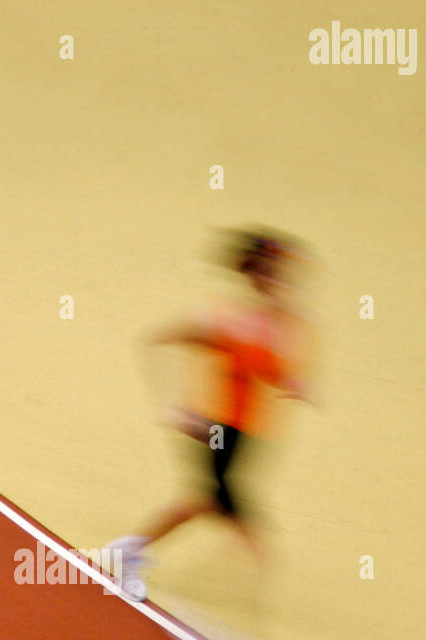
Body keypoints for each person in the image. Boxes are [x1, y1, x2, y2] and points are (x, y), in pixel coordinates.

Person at [105, 229, 312, 601]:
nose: (283, 283)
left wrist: (295, 384)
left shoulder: (276, 326)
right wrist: (172, 405)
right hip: (217, 428)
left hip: (248, 434)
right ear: (256, 276)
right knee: (234, 521)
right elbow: (158, 340)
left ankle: (129, 550)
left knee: (204, 503)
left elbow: (271, 372)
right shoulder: (225, 320)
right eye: (274, 274)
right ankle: (132, 553)